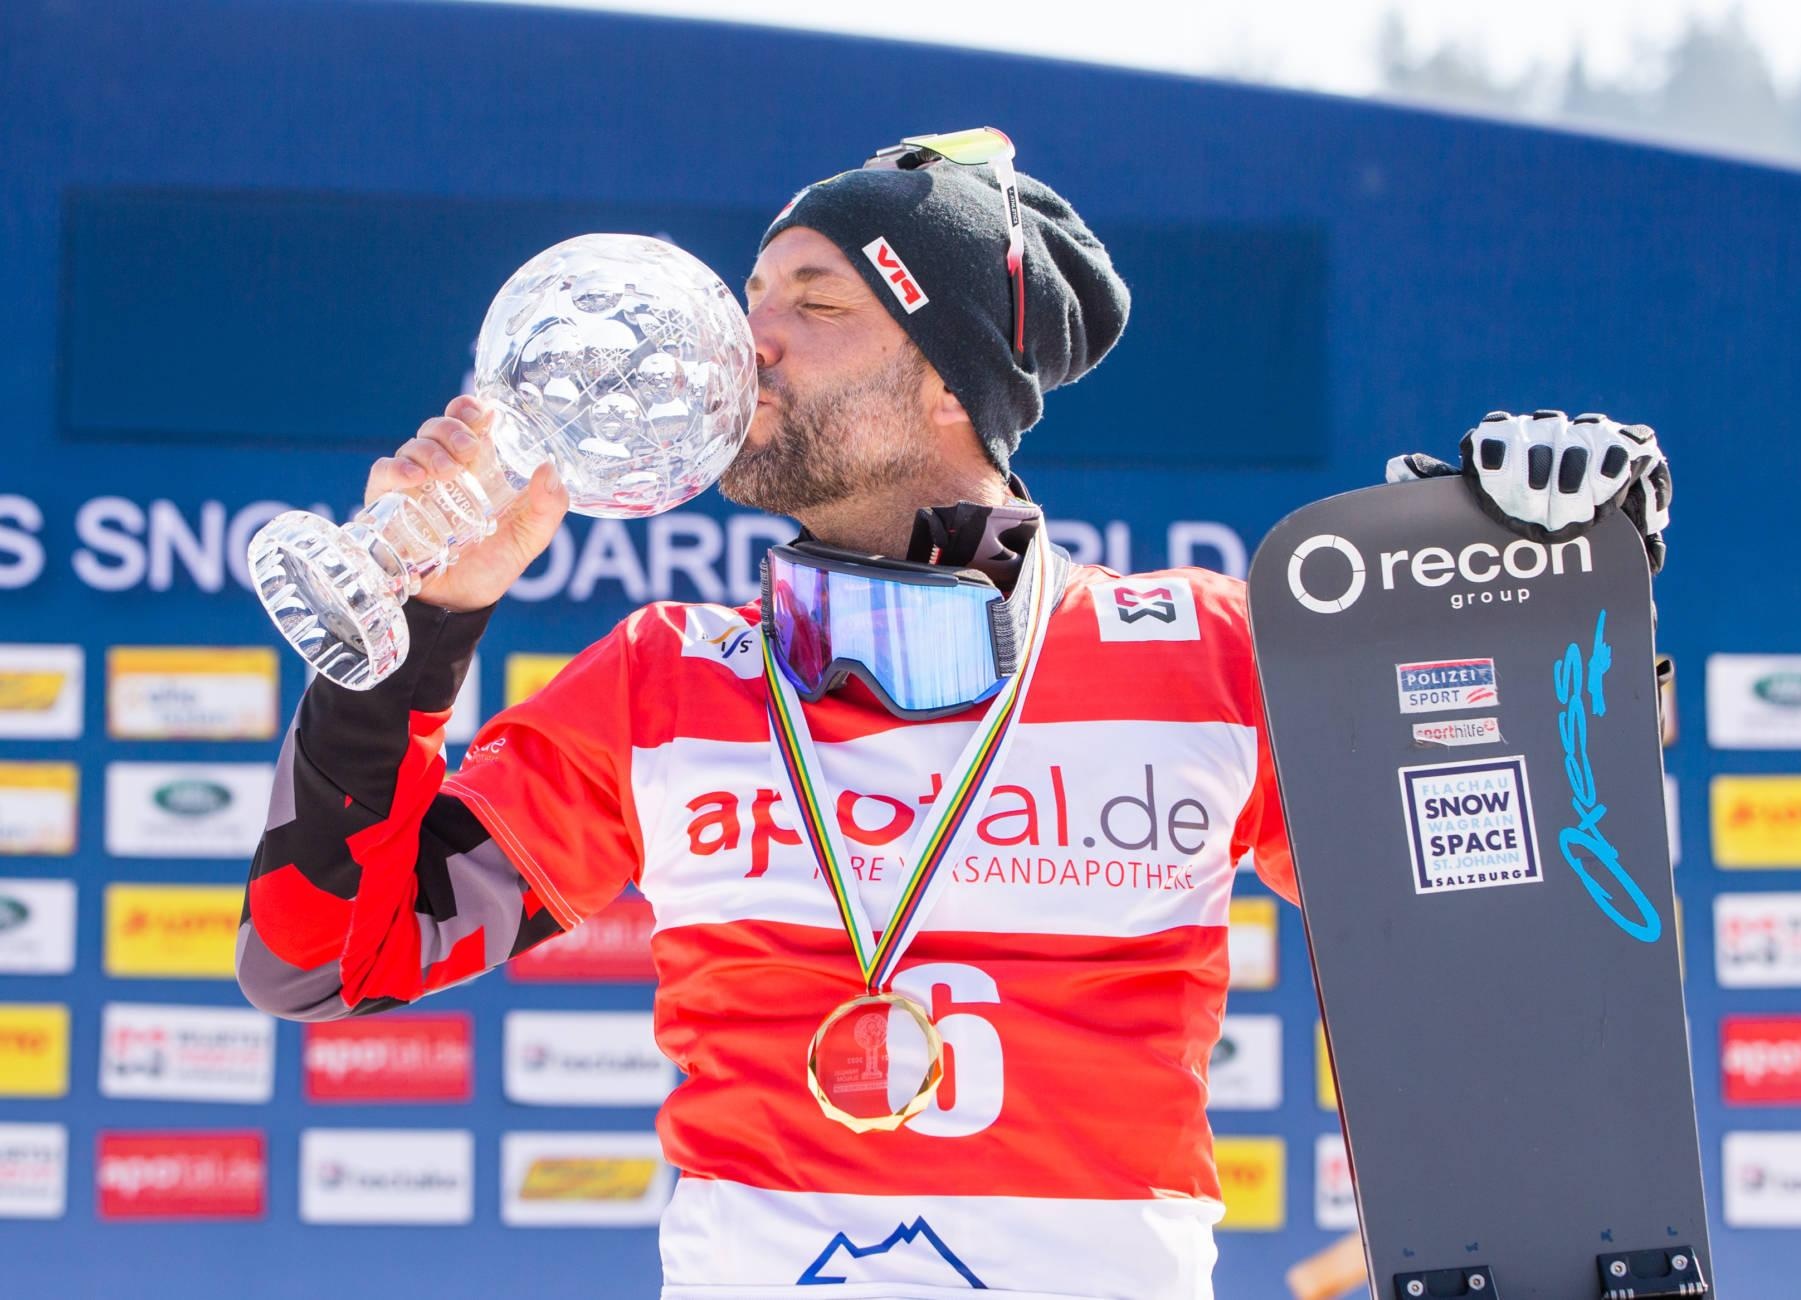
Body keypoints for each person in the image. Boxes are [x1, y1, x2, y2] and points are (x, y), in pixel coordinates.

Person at [237, 129, 1671, 1299]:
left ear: (944, 382)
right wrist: (418, 627)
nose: (747, 348)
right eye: (752, 301)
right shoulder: (670, 679)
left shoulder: (1206, 660)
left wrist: (1557, 612)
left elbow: (1516, 910)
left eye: (811, 303)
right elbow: (322, 963)